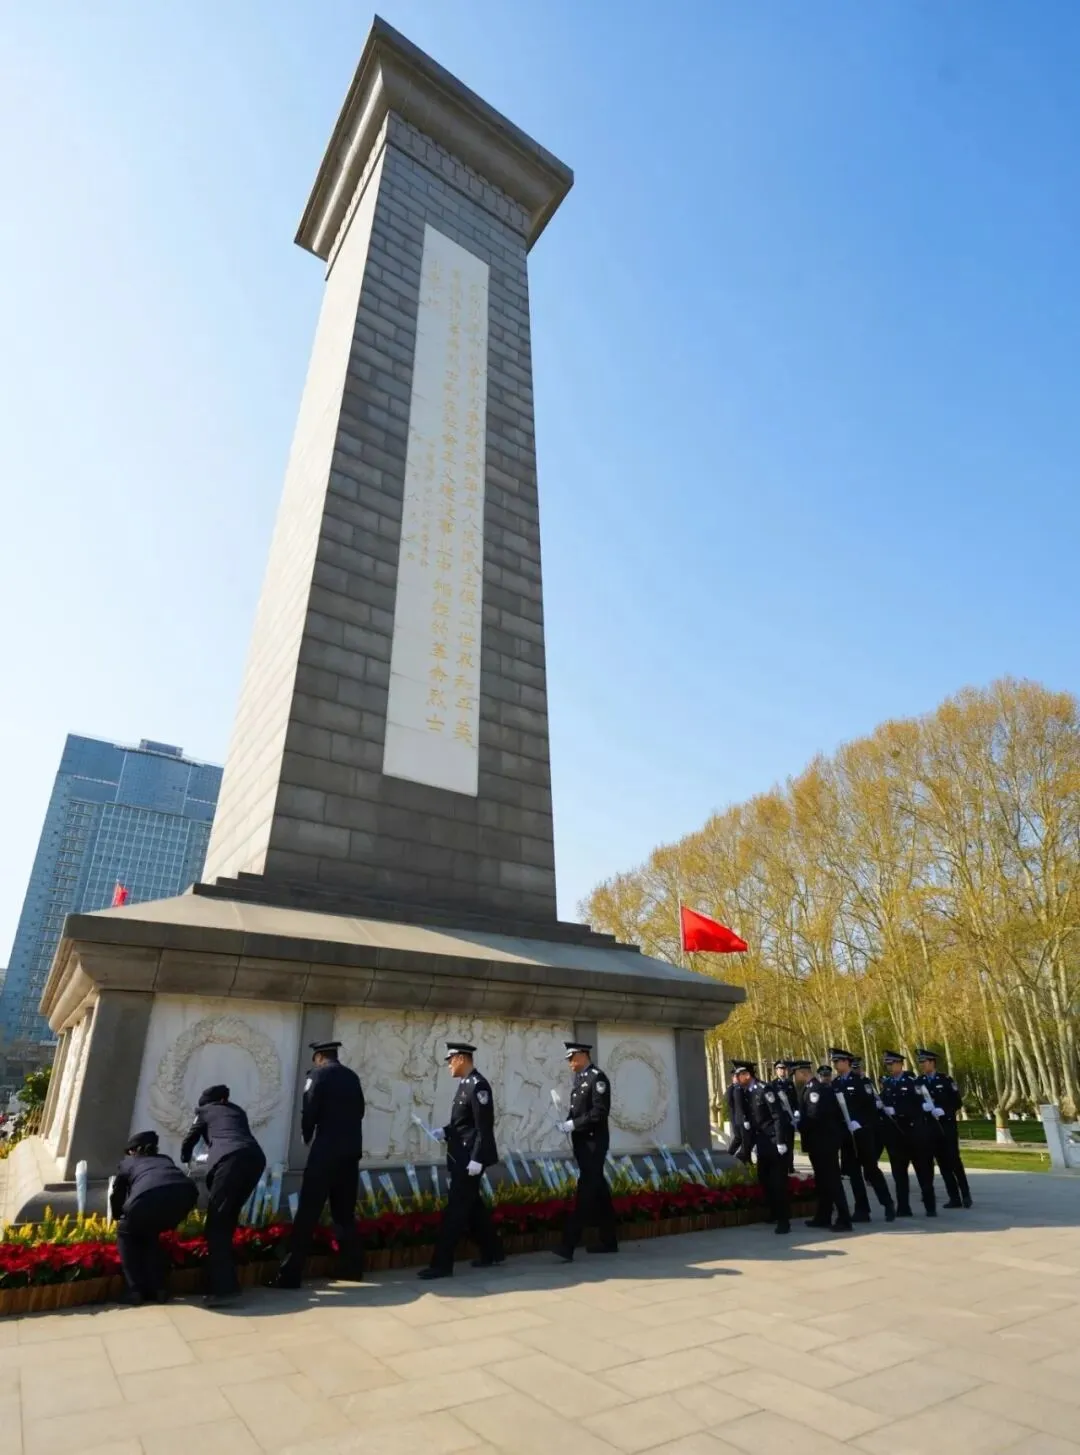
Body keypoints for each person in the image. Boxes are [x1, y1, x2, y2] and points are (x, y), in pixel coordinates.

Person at [271, 1040, 365, 1289]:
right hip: (351, 1151)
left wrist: (307, 1134)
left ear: (319, 1057)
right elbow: (361, 1110)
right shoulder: (352, 1076)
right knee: (344, 1214)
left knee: (308, 1212)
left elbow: (309, 1107)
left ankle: (290, 1274)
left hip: (326, 1152)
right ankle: (352, 1268)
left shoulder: (317, 1075)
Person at [418, 1042, 503, 1280]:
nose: (448, 1065)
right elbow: (463, 1124)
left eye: (450, 1060)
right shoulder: (465, 1085)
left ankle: (441, 1264)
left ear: (462, 1059)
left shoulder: (478, 1086)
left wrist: (477, 1159)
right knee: (473, 1207)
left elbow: (483, 1127)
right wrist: (445, 1131)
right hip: (461, 1155)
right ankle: (493, 1252)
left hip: (469, 1159)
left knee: (455, 1210)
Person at [180, 1084, 267, 1304]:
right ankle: (222, 1281)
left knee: (216, 1225)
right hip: (255, 1160)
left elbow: (190, 1138)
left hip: (230, 1162)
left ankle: (224, 1289)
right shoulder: (238, 1111)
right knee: (227, 1220)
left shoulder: (204, 1111)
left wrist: (184, 1157)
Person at [110, 1130, 198, 1305]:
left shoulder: (128, 1163)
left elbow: (118, 1194)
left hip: (147, 1198)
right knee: (150, 1234)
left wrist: (117, 1216)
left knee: (125, 1233)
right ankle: (159, 1289)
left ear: (133, 1151)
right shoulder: (165, 1159)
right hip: (185, 1196)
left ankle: (134, 1290)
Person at [554, 1041, 617, 1261]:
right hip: (582, 1142)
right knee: (600, 1191)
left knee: (586, 1191)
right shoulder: (581, 1079)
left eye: (572, 1058)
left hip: (593, 1143)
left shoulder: (597, 1078)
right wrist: (567, 1123)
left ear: (583, 1055)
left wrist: (574, 1124)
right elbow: (578, 1110)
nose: (570, 1063)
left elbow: (599, 1112)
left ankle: (568, 1244)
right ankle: (609, 1240)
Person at [831, 1048, 896, 1224]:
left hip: (863, 1132)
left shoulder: (861, 1082)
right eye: (834, 1062)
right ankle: (862, 1209)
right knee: (853, 1174)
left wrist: (859, 1122)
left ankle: (887, 1203)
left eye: (837, 1061)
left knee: (871, 1170)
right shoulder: (835, 1083)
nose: (835, 1065)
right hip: (847, 1135)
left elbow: (870, 1108)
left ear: (846, 1062)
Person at [792, 1060, 852, 1231]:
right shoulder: (809, 1088)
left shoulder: (815, 1090)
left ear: (802, 1072)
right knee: (822, 1181)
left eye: (795, 1074)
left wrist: (798, 1125)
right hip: (817, 1143)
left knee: (832, 1180)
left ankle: (844, 1218)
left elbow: (814, 1115)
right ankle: (823, 1215)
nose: (795, 1078)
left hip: (824, 1143)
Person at [879, 1053, 936, 1218]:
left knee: (923, 1172)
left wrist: (898, 1111)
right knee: (899, 1173)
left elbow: (920, 1106)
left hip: (914, 1134)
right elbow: (884, 1102)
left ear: (899, 1064)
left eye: (891, 1064)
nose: (889, 1067)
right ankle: (903, 1207)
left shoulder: (913, 1082)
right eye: (887, 1065)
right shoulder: (888, 1083)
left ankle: (930, 1206)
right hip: (896, 1136)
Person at [739, 1060, 792, 1234]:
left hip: (774, 1141)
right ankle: (774, 1213)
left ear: (747, 1075)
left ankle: (784, 1220)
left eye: (739, 1075)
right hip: (762, 1141)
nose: (737, 1078)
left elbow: (777, 1116)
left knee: (778, 1182)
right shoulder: (747, 1092)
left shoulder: (765, 1090)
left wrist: (781, 1141)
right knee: (765, 1179)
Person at [916, 1048, 972, 1208]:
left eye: (924, 1062)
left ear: (932, 1062)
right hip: (930, 1129)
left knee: (954, 1161)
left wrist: (944, 1111)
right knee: (943, 1165)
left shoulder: (945, 1079)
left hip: (947, 1127)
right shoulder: (919, 1082)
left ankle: (965, 1194)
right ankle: (954, 1197)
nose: (922, 1065)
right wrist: (922, 1108)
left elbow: (957, 1102)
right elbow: (915, 1102)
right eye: (920, 1062)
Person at [768, 1059, 800, 1173]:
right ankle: (781, 1167)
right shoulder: (772, 1085)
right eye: (780, 1069)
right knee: (781, 1142)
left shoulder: (790, 1083)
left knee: (790, 1143)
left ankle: (790, 1166)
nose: (782, 1071)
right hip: (779, 1118)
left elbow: (795, 1099)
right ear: (776, 1070)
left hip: (790, 1118)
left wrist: (797, 1110)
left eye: (784, 1068)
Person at [725, 1069, 753, 1163]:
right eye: (735, 1077)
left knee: (743, 1139)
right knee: (740, 1138)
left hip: (740, 1117)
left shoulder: (741, 1087)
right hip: (736, 1117)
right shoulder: (732, 1088)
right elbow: (731, 1104)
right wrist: (741, 1117)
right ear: (733, 1078)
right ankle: (732, 1156)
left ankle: (746, 1159)